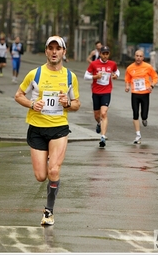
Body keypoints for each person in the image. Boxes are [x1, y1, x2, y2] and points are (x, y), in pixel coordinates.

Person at [14, 36, 80, 225]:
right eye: (50, 48)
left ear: (63, 52)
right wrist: (32, 104)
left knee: (54, 169)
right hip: (37, 128)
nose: (54, 52)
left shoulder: (70, 77)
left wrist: (68, 103)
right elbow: (18, 96)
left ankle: (49, 212)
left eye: (57, 49)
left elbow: (76, 104)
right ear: (46, 51)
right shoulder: (35, 74)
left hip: (59, 128)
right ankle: (51, 161)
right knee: (41, 176)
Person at [84, 45, 119, 148]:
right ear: (100, 54)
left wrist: (116, 75)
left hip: (106, 91)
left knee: (104, 113)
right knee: (97, 115)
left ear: (109, 54)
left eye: (107, 53)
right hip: (96, 91)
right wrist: (95, 76)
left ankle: (102, 137)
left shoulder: (112, 64)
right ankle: (99, 123)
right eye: (103, 53)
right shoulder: (94, 64)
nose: (105, 55)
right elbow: (86, 76)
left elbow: (117, 71)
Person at [124, 49, 158, 144]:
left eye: (140, 56)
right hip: (135, 93)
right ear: (134, 57)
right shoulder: (130, 68)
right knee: (135, 113)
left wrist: (152, 85)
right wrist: (127, 86)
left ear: (143, 58)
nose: (138, 58)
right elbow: (127, 79)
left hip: (145, 93)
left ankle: (144, 118)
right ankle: (138, 135)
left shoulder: (148, 67)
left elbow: (155, 77)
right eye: (137, 56)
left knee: (144, 115)